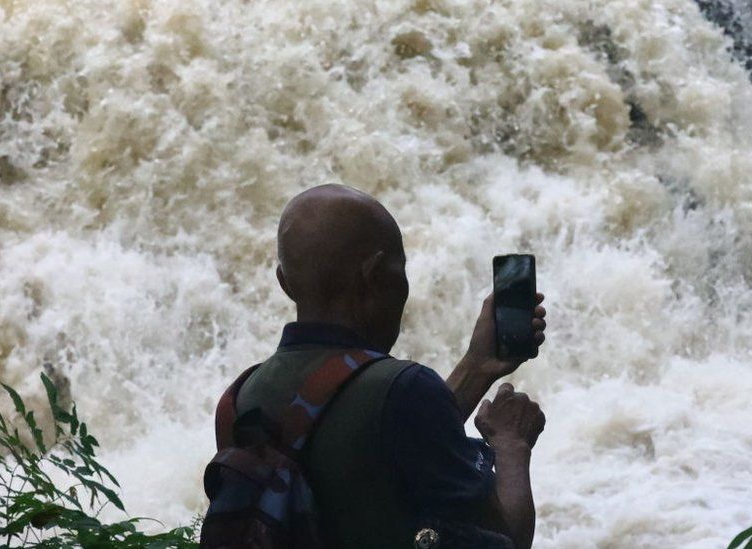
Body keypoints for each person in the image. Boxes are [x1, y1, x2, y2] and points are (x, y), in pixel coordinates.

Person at [229, 184, 548, 548]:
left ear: (284, 283)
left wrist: (477, 366)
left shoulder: (241, 398)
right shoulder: (406, 391)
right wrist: (511, 443)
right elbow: (509, 537)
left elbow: (375, 452)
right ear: (376, 274)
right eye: (401, 268)